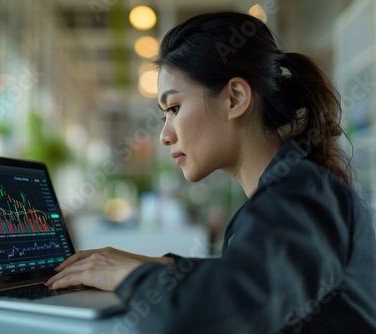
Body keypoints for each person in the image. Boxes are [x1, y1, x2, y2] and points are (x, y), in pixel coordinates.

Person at [45, 12, 376, 333]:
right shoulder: (280, 196)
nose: (165, 135)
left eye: (174, 108)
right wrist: (157, 266)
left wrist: (129, 277)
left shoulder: (302, 193)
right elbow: (251, 278)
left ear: (234, 98)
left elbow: (211, 312)